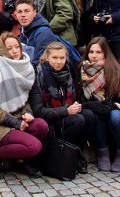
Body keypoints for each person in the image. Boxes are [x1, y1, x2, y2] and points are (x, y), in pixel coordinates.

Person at [0, 34, 47, 180]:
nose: (15, 51)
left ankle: (21, 160)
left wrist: (27, 112)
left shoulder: (24, 70)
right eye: (9, 48)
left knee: (41, 125)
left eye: (17, 47)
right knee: (34, 146)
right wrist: (15, 122)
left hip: (19, 119)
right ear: (2, 51)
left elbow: (24, 99)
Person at [30, 42, 93, 173]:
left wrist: (74, 106)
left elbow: (73, 97)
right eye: (54, 58)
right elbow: (39, 111)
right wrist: (66, 110)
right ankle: (66, 155)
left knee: (89, 116)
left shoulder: (69, 72)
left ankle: (76, 154)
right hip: (49, 120)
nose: (58, 62)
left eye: (62, 58)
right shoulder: (38, 76)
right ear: (47, 57)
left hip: (65, 115)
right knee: (78, 120)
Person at [79, 37, 120, 172]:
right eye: (91, 52)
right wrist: (95, 106)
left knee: (116, 116)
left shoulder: (118, 71)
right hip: (95, 112)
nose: (94, 56)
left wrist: (109, 107)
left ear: (105, 53)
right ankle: (103, 154)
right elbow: (80, 99)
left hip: (115, 109)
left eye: (98, 52)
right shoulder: (82, 69)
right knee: (96, 114)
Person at [17, 0, 80, 64]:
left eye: (27, 11)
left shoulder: (44, 33)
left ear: (34, 13)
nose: (23, 15)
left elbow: (40, 63)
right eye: (19, 12)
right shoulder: (23, 32)